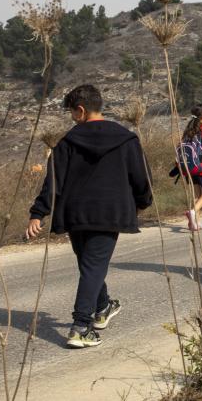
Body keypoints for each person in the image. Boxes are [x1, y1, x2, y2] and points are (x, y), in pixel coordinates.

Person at [26, 85, 153, 348]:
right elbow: (142, 179)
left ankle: (103, 307)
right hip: (109, 212)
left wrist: (38, 213)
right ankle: (80, 326)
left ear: (81, 110)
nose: (71, 117)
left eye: (72, 112)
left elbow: (53, 182)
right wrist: (142, 203)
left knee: (90, 265)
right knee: (92, 267)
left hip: (75, 213)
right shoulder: (126, 138)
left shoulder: (67, 142)